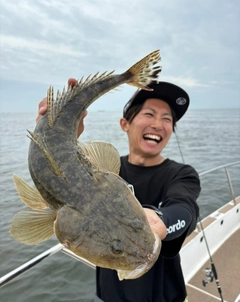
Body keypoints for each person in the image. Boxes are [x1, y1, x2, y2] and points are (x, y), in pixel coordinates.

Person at [37, 80, 201, 302]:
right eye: (150, 114)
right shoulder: (102, 173)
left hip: (165, 296)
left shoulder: (182, 174)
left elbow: (185, 209)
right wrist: (54, 138)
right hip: (108, 296)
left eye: (167, 119)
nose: (157, 124)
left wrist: (161, 219)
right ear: (125, 124)